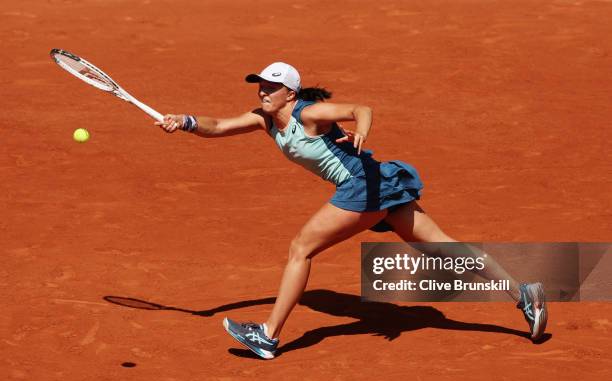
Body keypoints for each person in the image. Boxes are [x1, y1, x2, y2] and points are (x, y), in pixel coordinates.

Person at [155, 62, 548, 359]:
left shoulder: (308, 113)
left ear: (290, 93)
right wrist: (185, 121)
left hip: (362, 186)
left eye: (271, 87)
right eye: (260, 85)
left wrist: (362, 129)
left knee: (301, 249)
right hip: (378, 184)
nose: (262, 91)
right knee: (441, 246)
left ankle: (268, 336)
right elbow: (219, 125)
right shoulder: (263, 120)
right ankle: (523, 293)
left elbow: (362, 108)